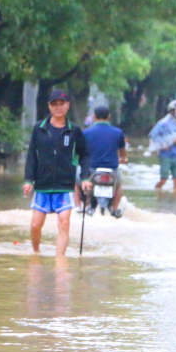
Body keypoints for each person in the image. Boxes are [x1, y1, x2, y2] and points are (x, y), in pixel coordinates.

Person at [23, 88, 89, 257]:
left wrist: (86, 178)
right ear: (49, 106)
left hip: (65, 186)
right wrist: (28, 180)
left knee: (64, 222)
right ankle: (36, 253)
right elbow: (32, 154)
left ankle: (60, 260)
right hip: (42, 185)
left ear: (67, 105)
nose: (58, 107)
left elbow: (84, 155)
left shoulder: (74, 130)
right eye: (55, 104)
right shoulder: (39, 128)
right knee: (35, 225)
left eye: (62, 104)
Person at [81, 105, 128, 218]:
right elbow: (122, 151)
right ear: (109, 116)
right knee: (118, 186)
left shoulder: (86, 133)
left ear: (94, 116)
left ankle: (80, 206)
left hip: (91, 168)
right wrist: (123, 159)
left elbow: (81, 152)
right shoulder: (118, 132)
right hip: (111, 169)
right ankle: (115, 209)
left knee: (78, 185)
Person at [149, 99, 176, 192]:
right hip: (165, 155)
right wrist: (163, 144)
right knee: (163, 179)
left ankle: (175, 201)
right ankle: (157, 192)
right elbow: (153, 135)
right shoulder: (163, 123)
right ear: (172, 110)